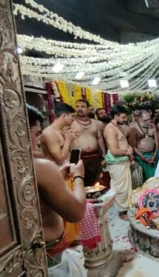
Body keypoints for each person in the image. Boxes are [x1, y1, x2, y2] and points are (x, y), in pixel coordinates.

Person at [27, 104, 86, 276]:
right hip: (50, 262)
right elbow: (76, 213)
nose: (39, 140)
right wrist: (79, 177)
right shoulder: (40, 166)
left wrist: (57, 177)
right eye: (37, 134)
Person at [40, 102, 81, 245]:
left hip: (67, 172)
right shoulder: (48, 133)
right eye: (72, 117)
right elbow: (59, 157)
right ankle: (65, 239)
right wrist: (68, 140)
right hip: (57, 175)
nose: (73, 120)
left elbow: (69, 152)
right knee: (62, 209)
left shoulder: (61, 131)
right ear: (64, 116)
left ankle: (72, 237)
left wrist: (70, 140)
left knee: (71, 206)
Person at [103, 105, 134, 220]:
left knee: (125, 187)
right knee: (120, 188)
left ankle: (125, 208)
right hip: (117, 162)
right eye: (123, 117)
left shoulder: (117, 126)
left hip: (123, 161)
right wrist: (128, 152)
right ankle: (122, 212)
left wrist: (129, 149)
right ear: (116, 116)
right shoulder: (110, 129)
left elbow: (123, 142)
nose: (125, 119)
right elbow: (114, 150)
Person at [71, 99, 106, 187]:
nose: (79, 109)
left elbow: (99, 138)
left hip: (95, 156)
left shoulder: (95, 123)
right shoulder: (71, 123)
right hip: (79, 157)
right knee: (81, 182)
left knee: (97, 182)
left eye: (82, 107)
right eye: (77, 106)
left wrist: (104, 153)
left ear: (88, 109)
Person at [128, 110, 159, 182]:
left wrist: (154, 154)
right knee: (144, 179)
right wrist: (144, 158)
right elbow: (133, 146)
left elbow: (157, 141)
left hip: (152, 155)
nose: (148, 121)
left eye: (149, 119)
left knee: (154, 178)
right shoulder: (134, 128)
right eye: (146, 120)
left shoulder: (152, 126)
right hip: (141, 156)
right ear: (139, 119)